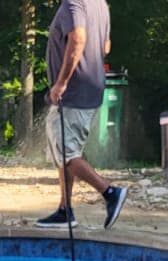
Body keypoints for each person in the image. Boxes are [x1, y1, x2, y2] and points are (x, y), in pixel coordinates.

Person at [35, 0, 126, 230]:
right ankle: (65, 210)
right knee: (64, 149)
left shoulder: (73, 3)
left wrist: (61, 83)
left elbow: (78, 38)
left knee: (67, 152)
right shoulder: (101, 5)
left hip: (73, 91)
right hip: (91, 88)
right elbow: (106, 47)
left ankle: (110, 193)